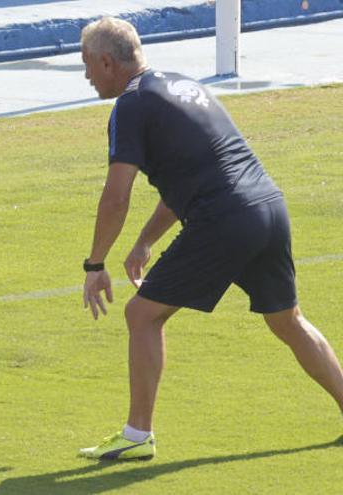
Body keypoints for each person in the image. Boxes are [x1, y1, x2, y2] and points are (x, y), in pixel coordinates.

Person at [76, 17, 343, 460]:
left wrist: (94, 264)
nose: (86, 76)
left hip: (226, 217)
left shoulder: (130, 105)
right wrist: (144, 242)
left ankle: (138, 435)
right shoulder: (183, 85)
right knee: (287, 320)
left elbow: (116, 196)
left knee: (142, 314)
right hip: (267, 207)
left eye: (87, 65)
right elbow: (192, 180)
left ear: (107, 61)